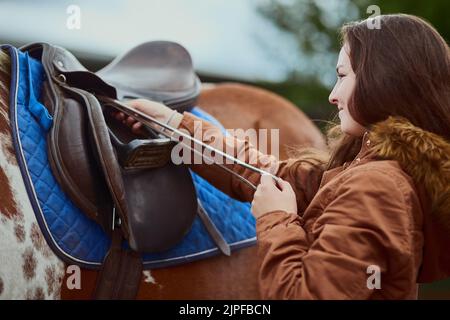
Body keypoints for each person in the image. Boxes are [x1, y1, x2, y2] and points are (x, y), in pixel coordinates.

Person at [114, 14, 450, 299]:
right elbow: (265, 172)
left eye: (343, 76)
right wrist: (175, 125)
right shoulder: (369, 170)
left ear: (383, 80)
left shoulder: (376, 187)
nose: (333, 96)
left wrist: (276, 219)